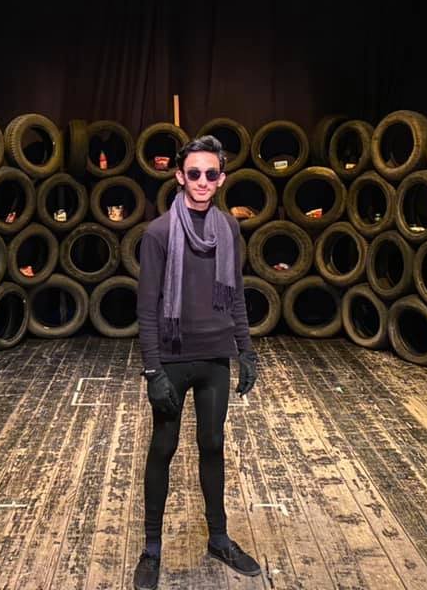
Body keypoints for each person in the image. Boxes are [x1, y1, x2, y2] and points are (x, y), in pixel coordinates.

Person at [132, 135, 260, 590]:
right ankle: (151, 549)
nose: (202, 181)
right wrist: (152, 370)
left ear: (221, 179)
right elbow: (147, 307)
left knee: (212, 444)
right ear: (179, 177)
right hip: (172, 357)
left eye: (210, 173)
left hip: (215, 357)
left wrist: (245, 349)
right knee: (163, 448)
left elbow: (236, 294)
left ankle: (219, 538)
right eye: (194, 173)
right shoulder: (159, 233)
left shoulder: (228, 229)